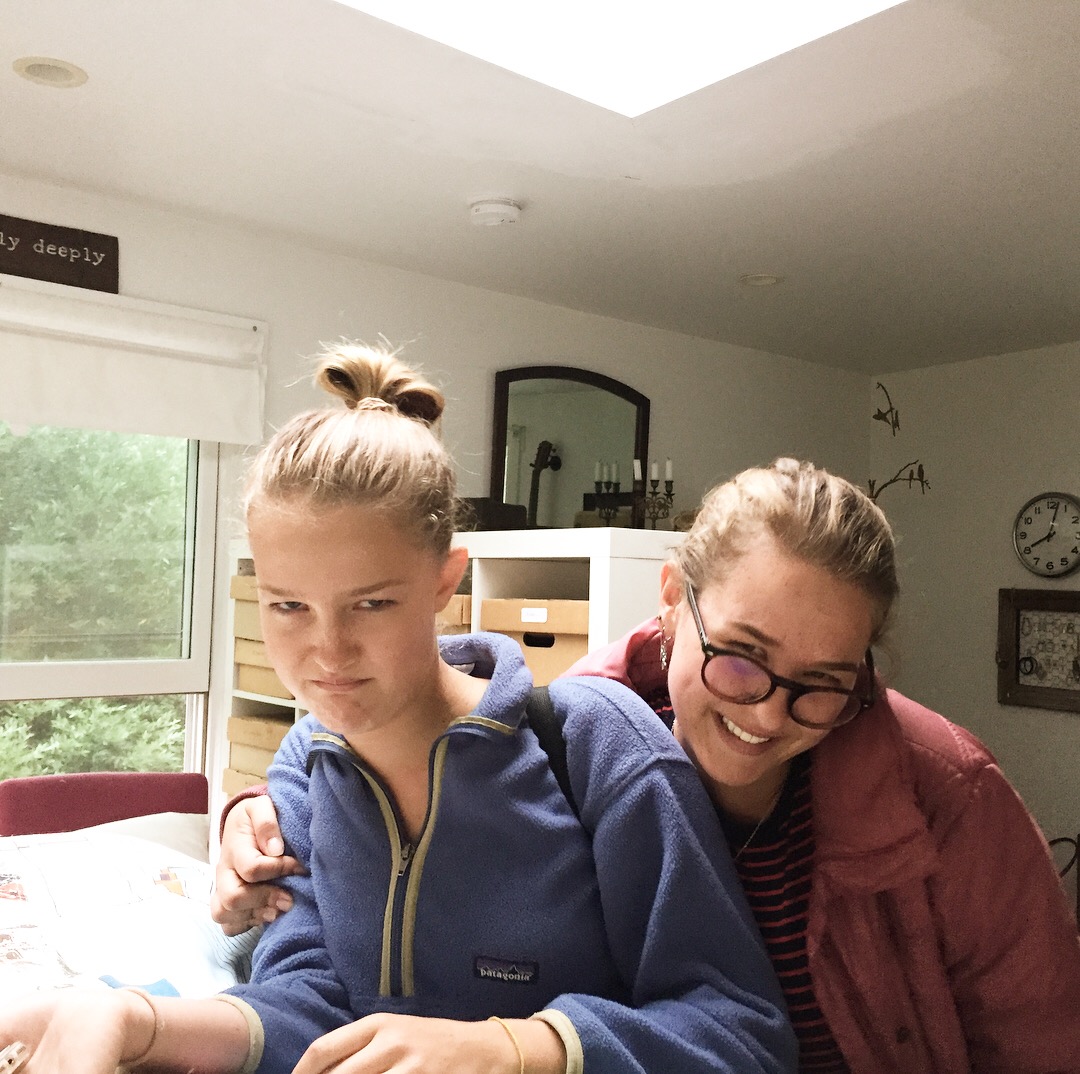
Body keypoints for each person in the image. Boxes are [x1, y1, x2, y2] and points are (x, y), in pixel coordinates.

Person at [0, 344, 797, 1074]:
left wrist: (518, 1049)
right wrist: (136, 1021)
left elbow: (742, 1033)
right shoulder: (305, 771)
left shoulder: (594, 745)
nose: (327, 653)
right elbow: (306, 1013)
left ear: (446, 579)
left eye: (371, 604)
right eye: (287, 608)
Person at [214, 457, 1080, 1073]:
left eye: (822, 684)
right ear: (673, 601)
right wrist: (256, 811)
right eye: (739, 657)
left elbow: (1043, 1040)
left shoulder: (950, 796)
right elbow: (401, 755)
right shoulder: (588, 729)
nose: (769, 713)